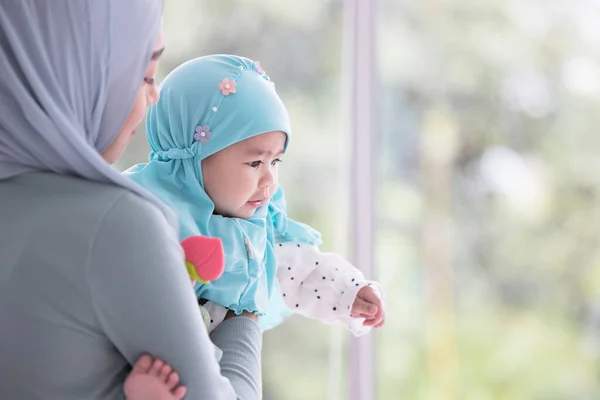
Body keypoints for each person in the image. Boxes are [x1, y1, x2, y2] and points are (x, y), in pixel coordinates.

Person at [0, 2, 262, 399]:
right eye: (145, 75)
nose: (154, 96)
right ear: (81, 77)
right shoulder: (116, 223)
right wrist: (245, 316)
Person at [125, 55, 386, 335]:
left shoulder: (260, 224)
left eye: (275, 162)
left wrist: (350, 293)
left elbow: (301, 272)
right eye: (254, 163)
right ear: (193, 156)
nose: (269, 179)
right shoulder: (146, 213)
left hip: (226, 369)